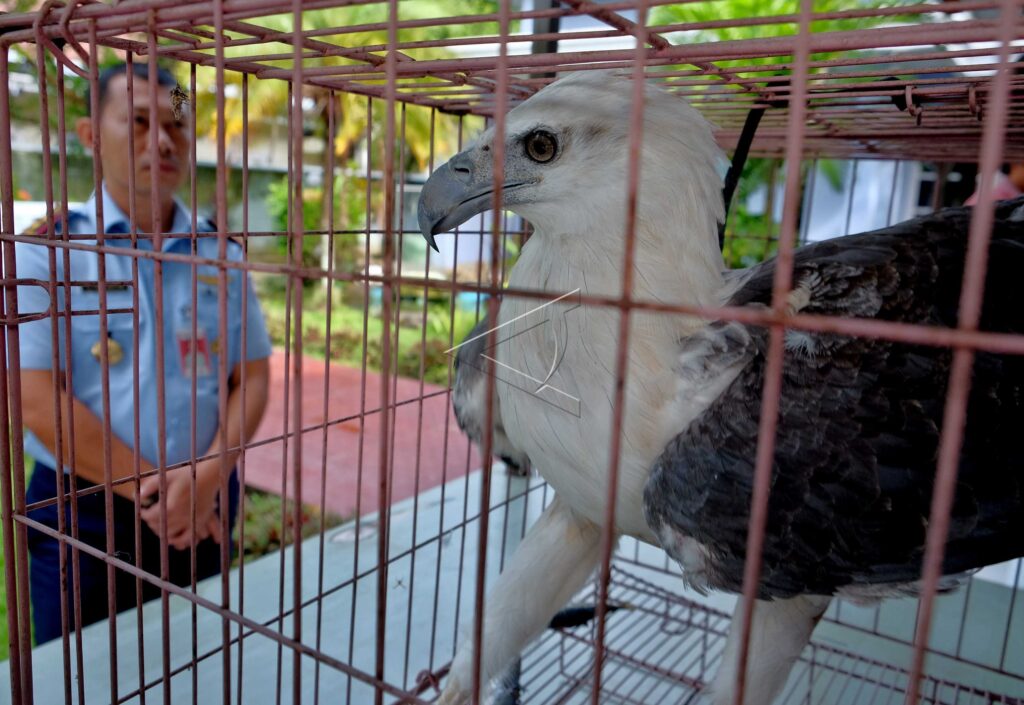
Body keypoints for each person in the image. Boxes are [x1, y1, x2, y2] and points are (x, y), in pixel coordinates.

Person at [15, 62, 272, 644]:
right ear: (89, 135)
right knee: (81, 673)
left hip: (207, 498)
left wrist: (208, 475)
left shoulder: (219, 253)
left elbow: (252, 377)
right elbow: (34, 399)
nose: (162, 141)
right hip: (84, 511)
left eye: (176, 125)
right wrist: (158, 490)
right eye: (137, 121)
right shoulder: (49, 253)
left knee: (197, 662)